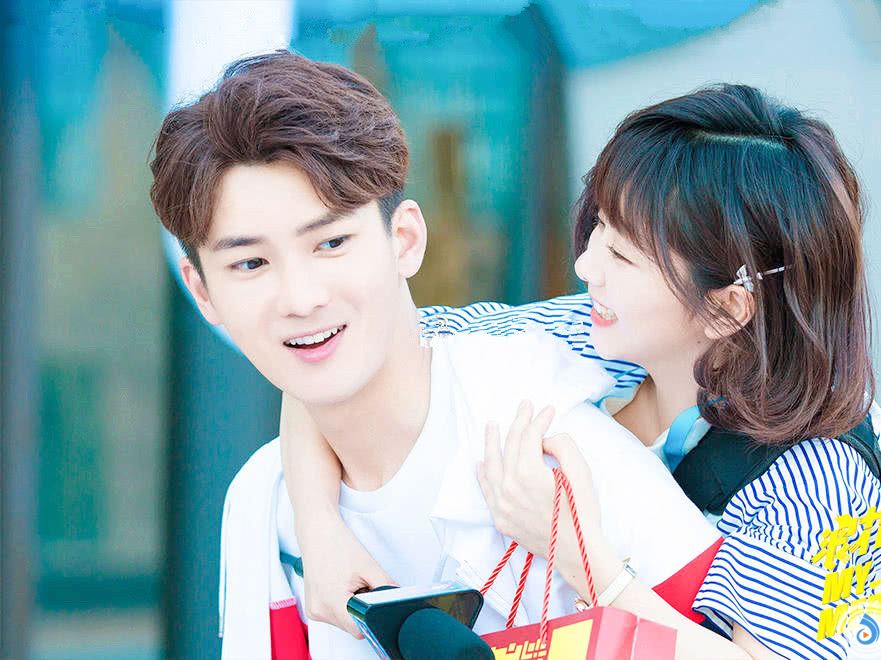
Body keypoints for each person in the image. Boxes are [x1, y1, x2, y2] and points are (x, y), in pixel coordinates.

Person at [148, 51, 740, 660]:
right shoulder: (265, 501)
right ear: (203, 293)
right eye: (251, 263)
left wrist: (593, 570)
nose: (301, 299)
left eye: (331, 243)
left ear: (404, 240)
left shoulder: (544, 442)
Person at [280, 82, 881, 659]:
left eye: (623, 256)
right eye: (600, 225)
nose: (586, 266)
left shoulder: (818, 484)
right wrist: (321, 530)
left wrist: (579, 555)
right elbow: (350, 351)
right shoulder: (589, 337)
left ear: (726, 307)